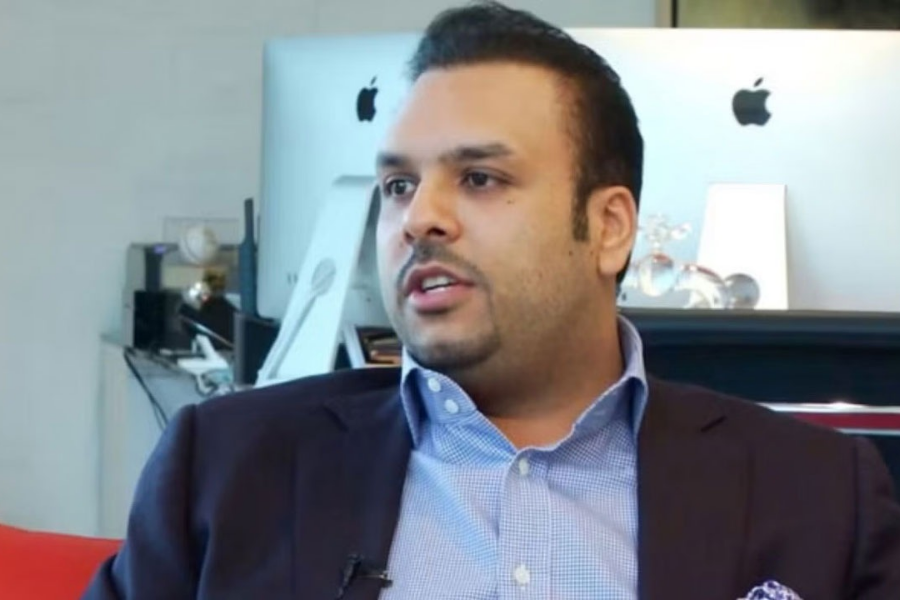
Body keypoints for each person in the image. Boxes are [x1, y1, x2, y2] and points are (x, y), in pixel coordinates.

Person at [84, 2, 900, 598]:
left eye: (479, 178)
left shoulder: (821, 494)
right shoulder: (225, 469)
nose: (419, 218)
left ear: (609, 227)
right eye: (398, 185)